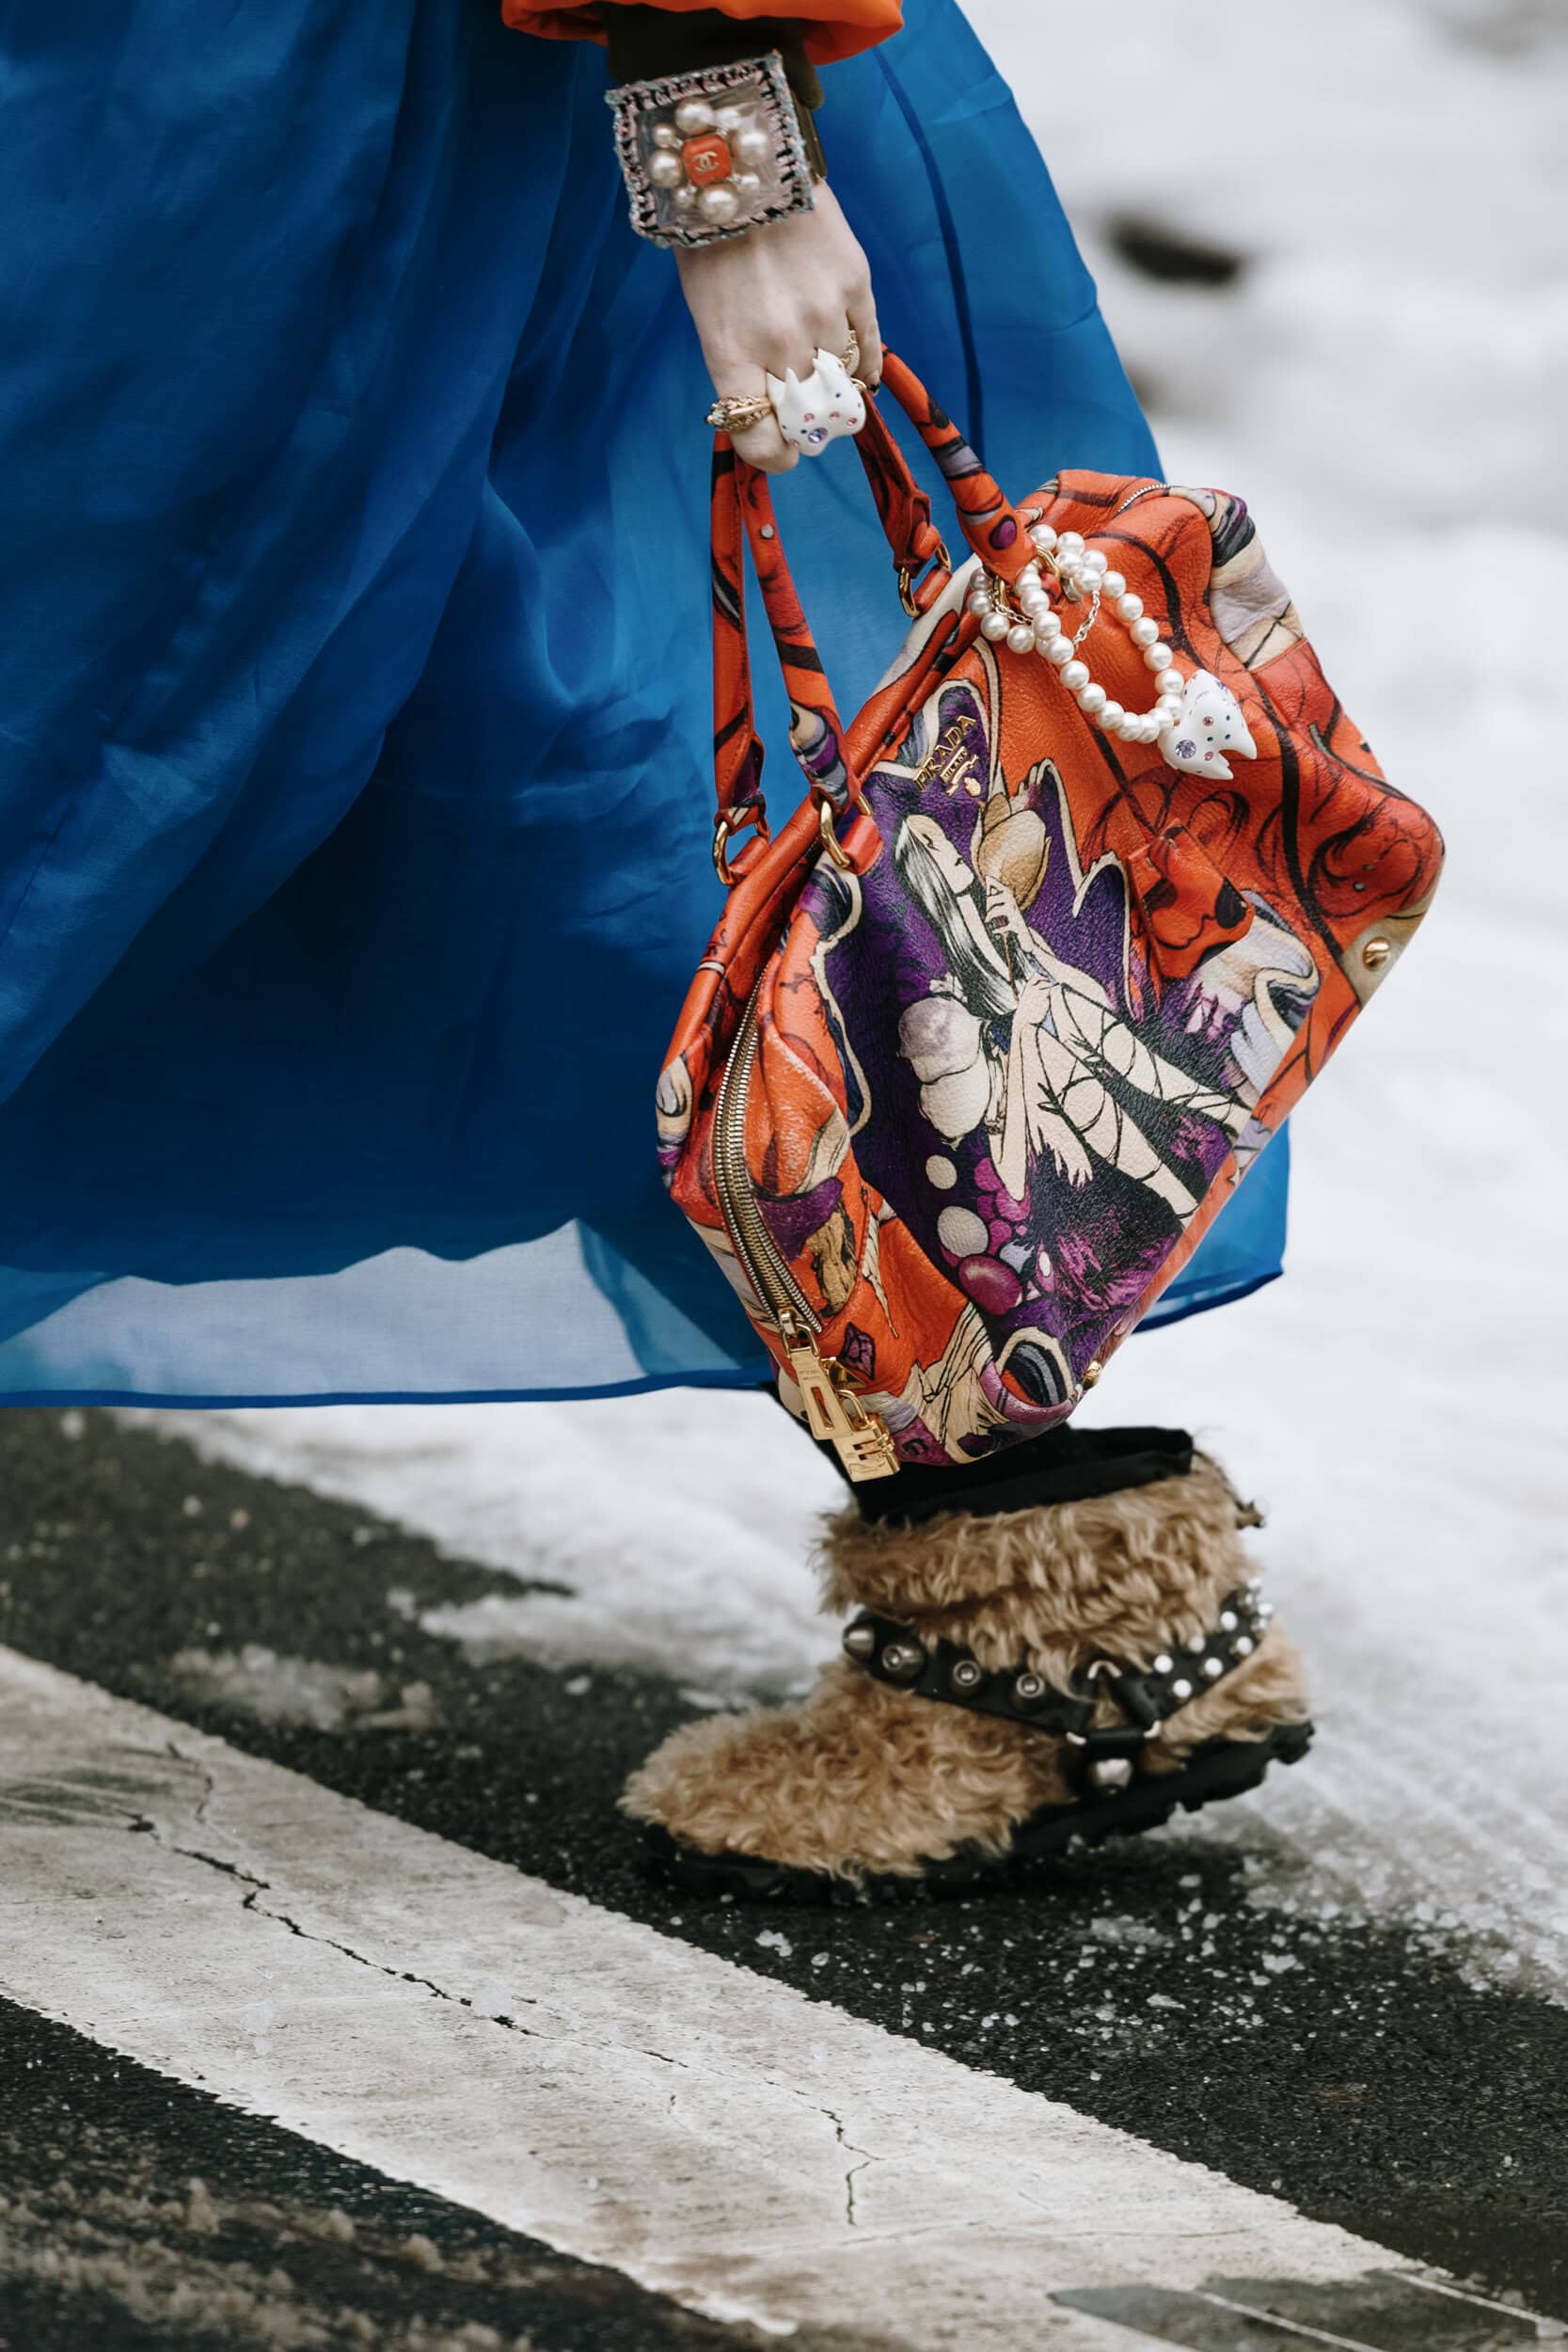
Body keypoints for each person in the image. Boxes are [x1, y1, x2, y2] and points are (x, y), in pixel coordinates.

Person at [0, 0, 1307, 1893]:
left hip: (356, 113)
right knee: (418, 791)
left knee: (507, 805)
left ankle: (1042, 1572)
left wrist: (721, 113)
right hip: (192, 102)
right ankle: (1040, 1582)